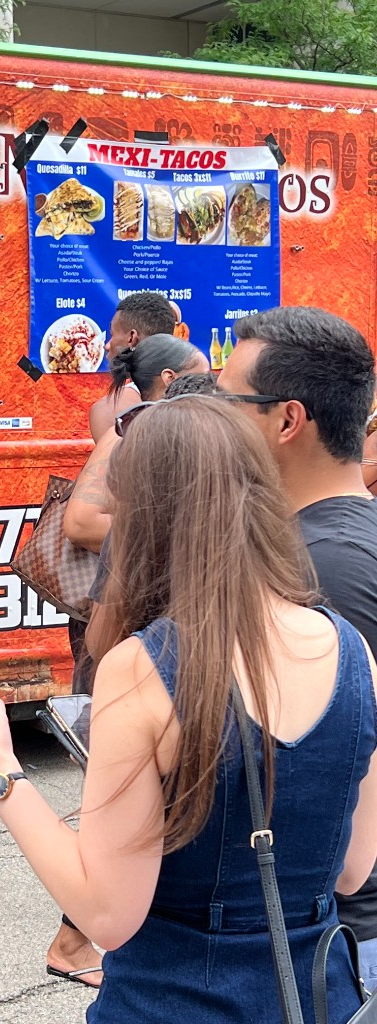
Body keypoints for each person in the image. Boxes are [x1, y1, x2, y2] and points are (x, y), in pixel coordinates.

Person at [0, 395, 377, 1023]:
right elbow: (352, 869)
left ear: (144, 516)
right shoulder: (352, 650)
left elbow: (107, 914)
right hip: (319, 995)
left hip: (176, 998)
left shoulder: (143, 666)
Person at [218, 305, 377, 985]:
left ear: (287, 420)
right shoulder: (342, 540)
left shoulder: (319, 566)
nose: (214, 425)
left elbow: (317, 770)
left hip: (338, 939)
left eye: (228, 406)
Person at [50, 341, 211, 990]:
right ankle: (71, 939)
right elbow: (84, 520)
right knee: (119, 801)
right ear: (169, 381)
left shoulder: (152, 437)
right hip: (130, 646)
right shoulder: (134, 438)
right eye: (204, 377)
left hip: (153, 647)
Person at [65, 334, 209, 553]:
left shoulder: (184, 430)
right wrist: (181, 535)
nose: (208, 389)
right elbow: (80, 524)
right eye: (200, 378)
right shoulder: (126, 433)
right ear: (169, 377)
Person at [90, 291, 176, 441]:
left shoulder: (107, 410)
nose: (107, 346)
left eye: (112, 334)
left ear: (132, 338)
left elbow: (117, 463)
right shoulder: (203, 393)